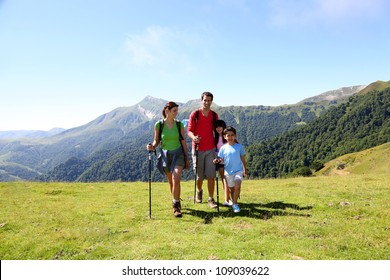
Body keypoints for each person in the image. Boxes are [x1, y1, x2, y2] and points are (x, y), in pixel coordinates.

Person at [146, 101, 190, 218]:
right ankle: (175, 200)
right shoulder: (159, 125)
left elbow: (183, 140)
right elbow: (156, 141)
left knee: (176, 178)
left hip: (178, 154)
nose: (176, 113)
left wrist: (187, 156)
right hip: (165, 155)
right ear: (167, 111)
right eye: (174, 111)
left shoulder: (179, 124)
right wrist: (151, 146)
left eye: (177, 111)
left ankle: (176, 206)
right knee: (171, 181)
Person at [187, 91, 219, 208]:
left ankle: (211, 199)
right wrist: (194, 138)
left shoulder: (214, 116)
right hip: (197, 149)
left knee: (211, 176)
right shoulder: (195, 114)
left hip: (210, 148)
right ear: (202, 100)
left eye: (209, 100)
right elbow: (189, 130)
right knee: (199, 176)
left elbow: (217, 131)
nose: (207, 102)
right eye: (205, 100)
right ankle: (199, 190)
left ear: (212, 101)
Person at [213, 126, 246, 213]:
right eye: (228, 135)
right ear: (225, 137)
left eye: (232, 135)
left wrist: (244, 170)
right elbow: (221, 158)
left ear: (235, 136)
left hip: (238, 170)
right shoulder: (223, 148)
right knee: (232, 189)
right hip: (228, 172)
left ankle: (235, 204)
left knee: (238, 185)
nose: (230, 137)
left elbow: (243, 159)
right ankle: (234, 201)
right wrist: (217, 160)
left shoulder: (239, 147)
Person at [214, 119, 232, 206]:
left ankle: (228, 199)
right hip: (219, 160)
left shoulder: (227, 137)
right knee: (224, 179)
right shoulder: (215, 137)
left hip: (228, 160)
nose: (218, 128)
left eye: (220, 126)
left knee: (226, 179)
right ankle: (227, 199)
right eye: (217, 126)